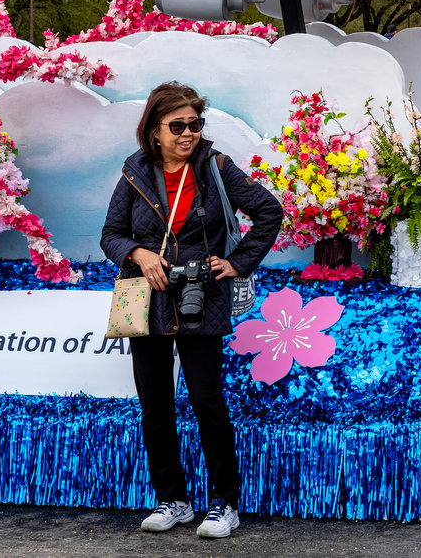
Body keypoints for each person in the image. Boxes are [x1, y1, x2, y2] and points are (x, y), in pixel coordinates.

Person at [101, 82, 284, 538]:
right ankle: (172, 500)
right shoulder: (134, 172)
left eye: (195, 125)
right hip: (148, 301)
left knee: (206, 401)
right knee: (155, 405)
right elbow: (110, 234)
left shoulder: (216, 166)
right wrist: (138, 254)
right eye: (178, 125)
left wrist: (237, 263)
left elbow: (269, 211)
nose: (188, 133)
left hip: (202, 296)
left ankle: (224, 503)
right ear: (154, 130)